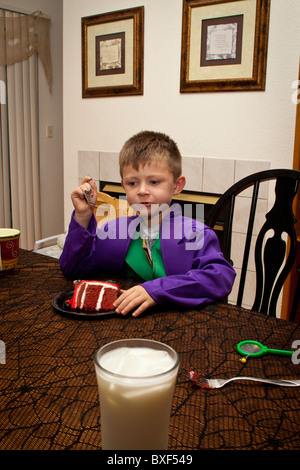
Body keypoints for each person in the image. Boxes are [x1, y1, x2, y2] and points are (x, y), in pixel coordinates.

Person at [60, 130, 236, 317]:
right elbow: (75, 269)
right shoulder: (113, 231)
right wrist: (83, 215)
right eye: (133, 183)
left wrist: (157, 289)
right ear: (123, 186)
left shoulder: (197, 233)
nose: (142, 191)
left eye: (154, 181)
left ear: (177, 185)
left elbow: (220, 278)